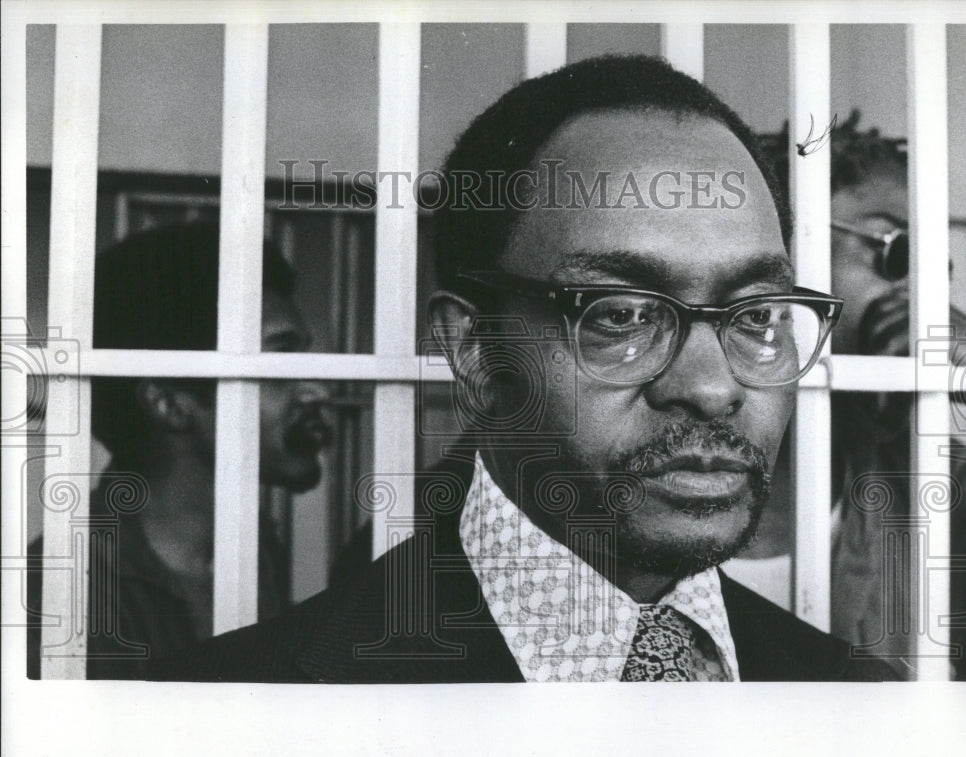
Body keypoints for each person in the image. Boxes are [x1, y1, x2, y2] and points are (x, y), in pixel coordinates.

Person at [154, 55, 900, 682]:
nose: (711, 387)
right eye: (621, 314)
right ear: (477, 352)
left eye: (757, 315)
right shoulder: (233, 708)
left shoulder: (859, 703)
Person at [28, 221, 334, 679]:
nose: (316, 391)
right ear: (170, 403)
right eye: (278, 360)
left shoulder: (254, 548)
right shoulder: (59, 586)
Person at [763, 112, 966, 680]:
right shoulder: (646, 458)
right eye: (898, 251)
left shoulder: (935, 478)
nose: (924, 291)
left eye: (940, 267)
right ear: (779, 245)